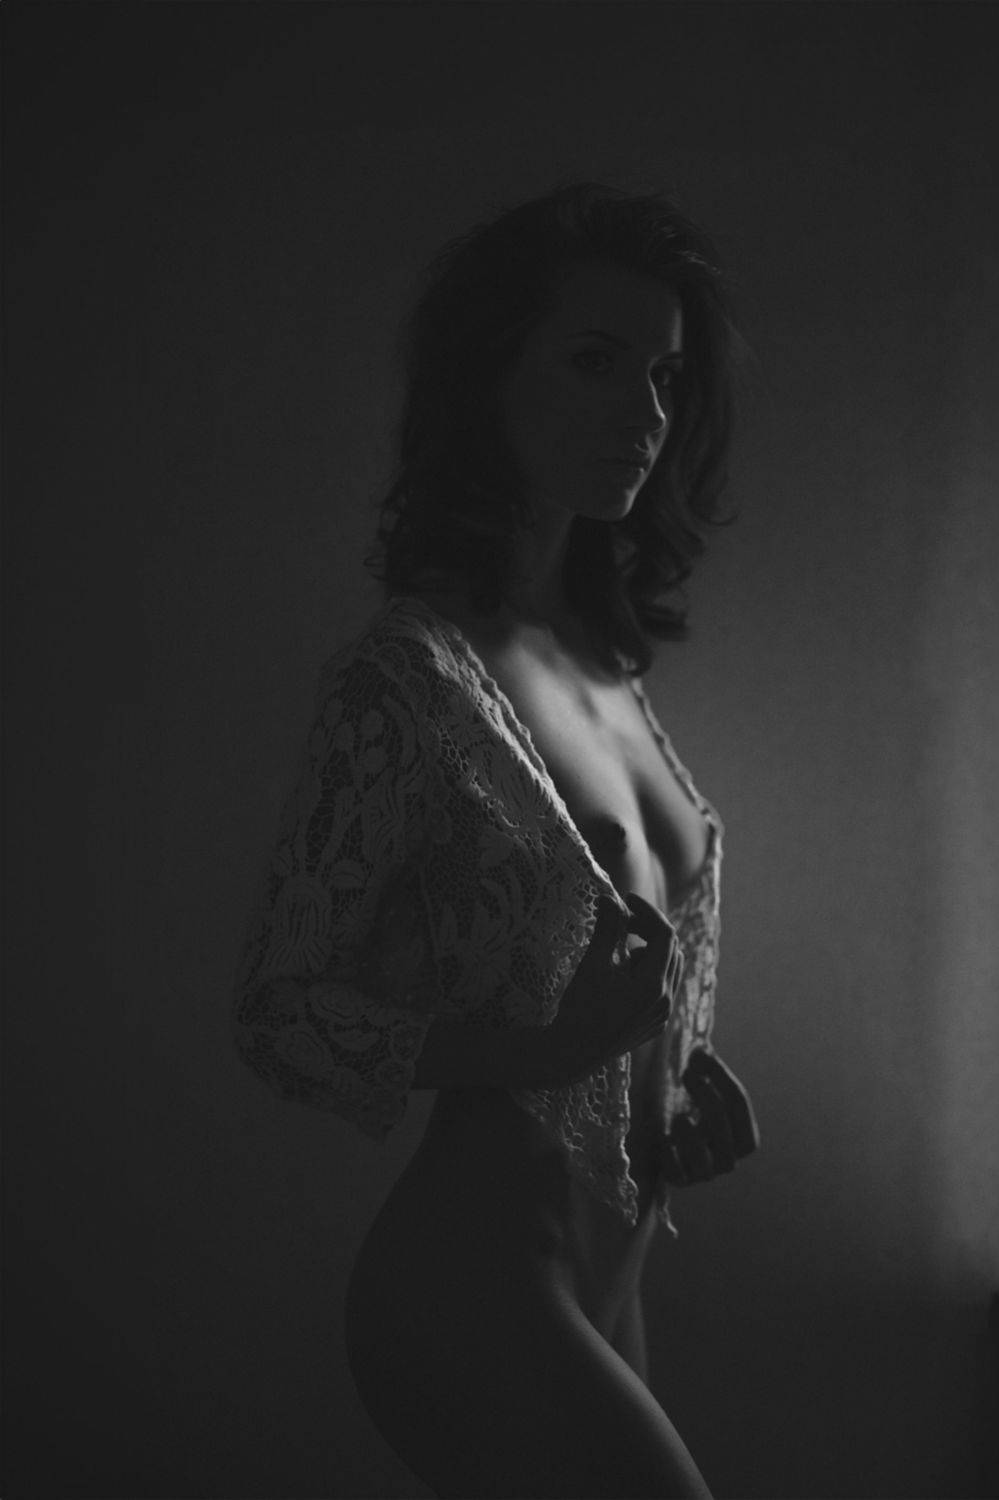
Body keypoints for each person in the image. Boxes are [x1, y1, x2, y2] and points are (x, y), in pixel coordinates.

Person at [232, 180, 759, 1499]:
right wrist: (539, 1051)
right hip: (473, 1282)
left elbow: (608, 981)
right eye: (595, 361)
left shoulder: (606, 664)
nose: (643, 414)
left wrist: (675, 1087)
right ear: (490, 376)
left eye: (665, 378)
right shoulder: (409, 679)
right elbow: (281, 1010)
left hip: (611, 1272)